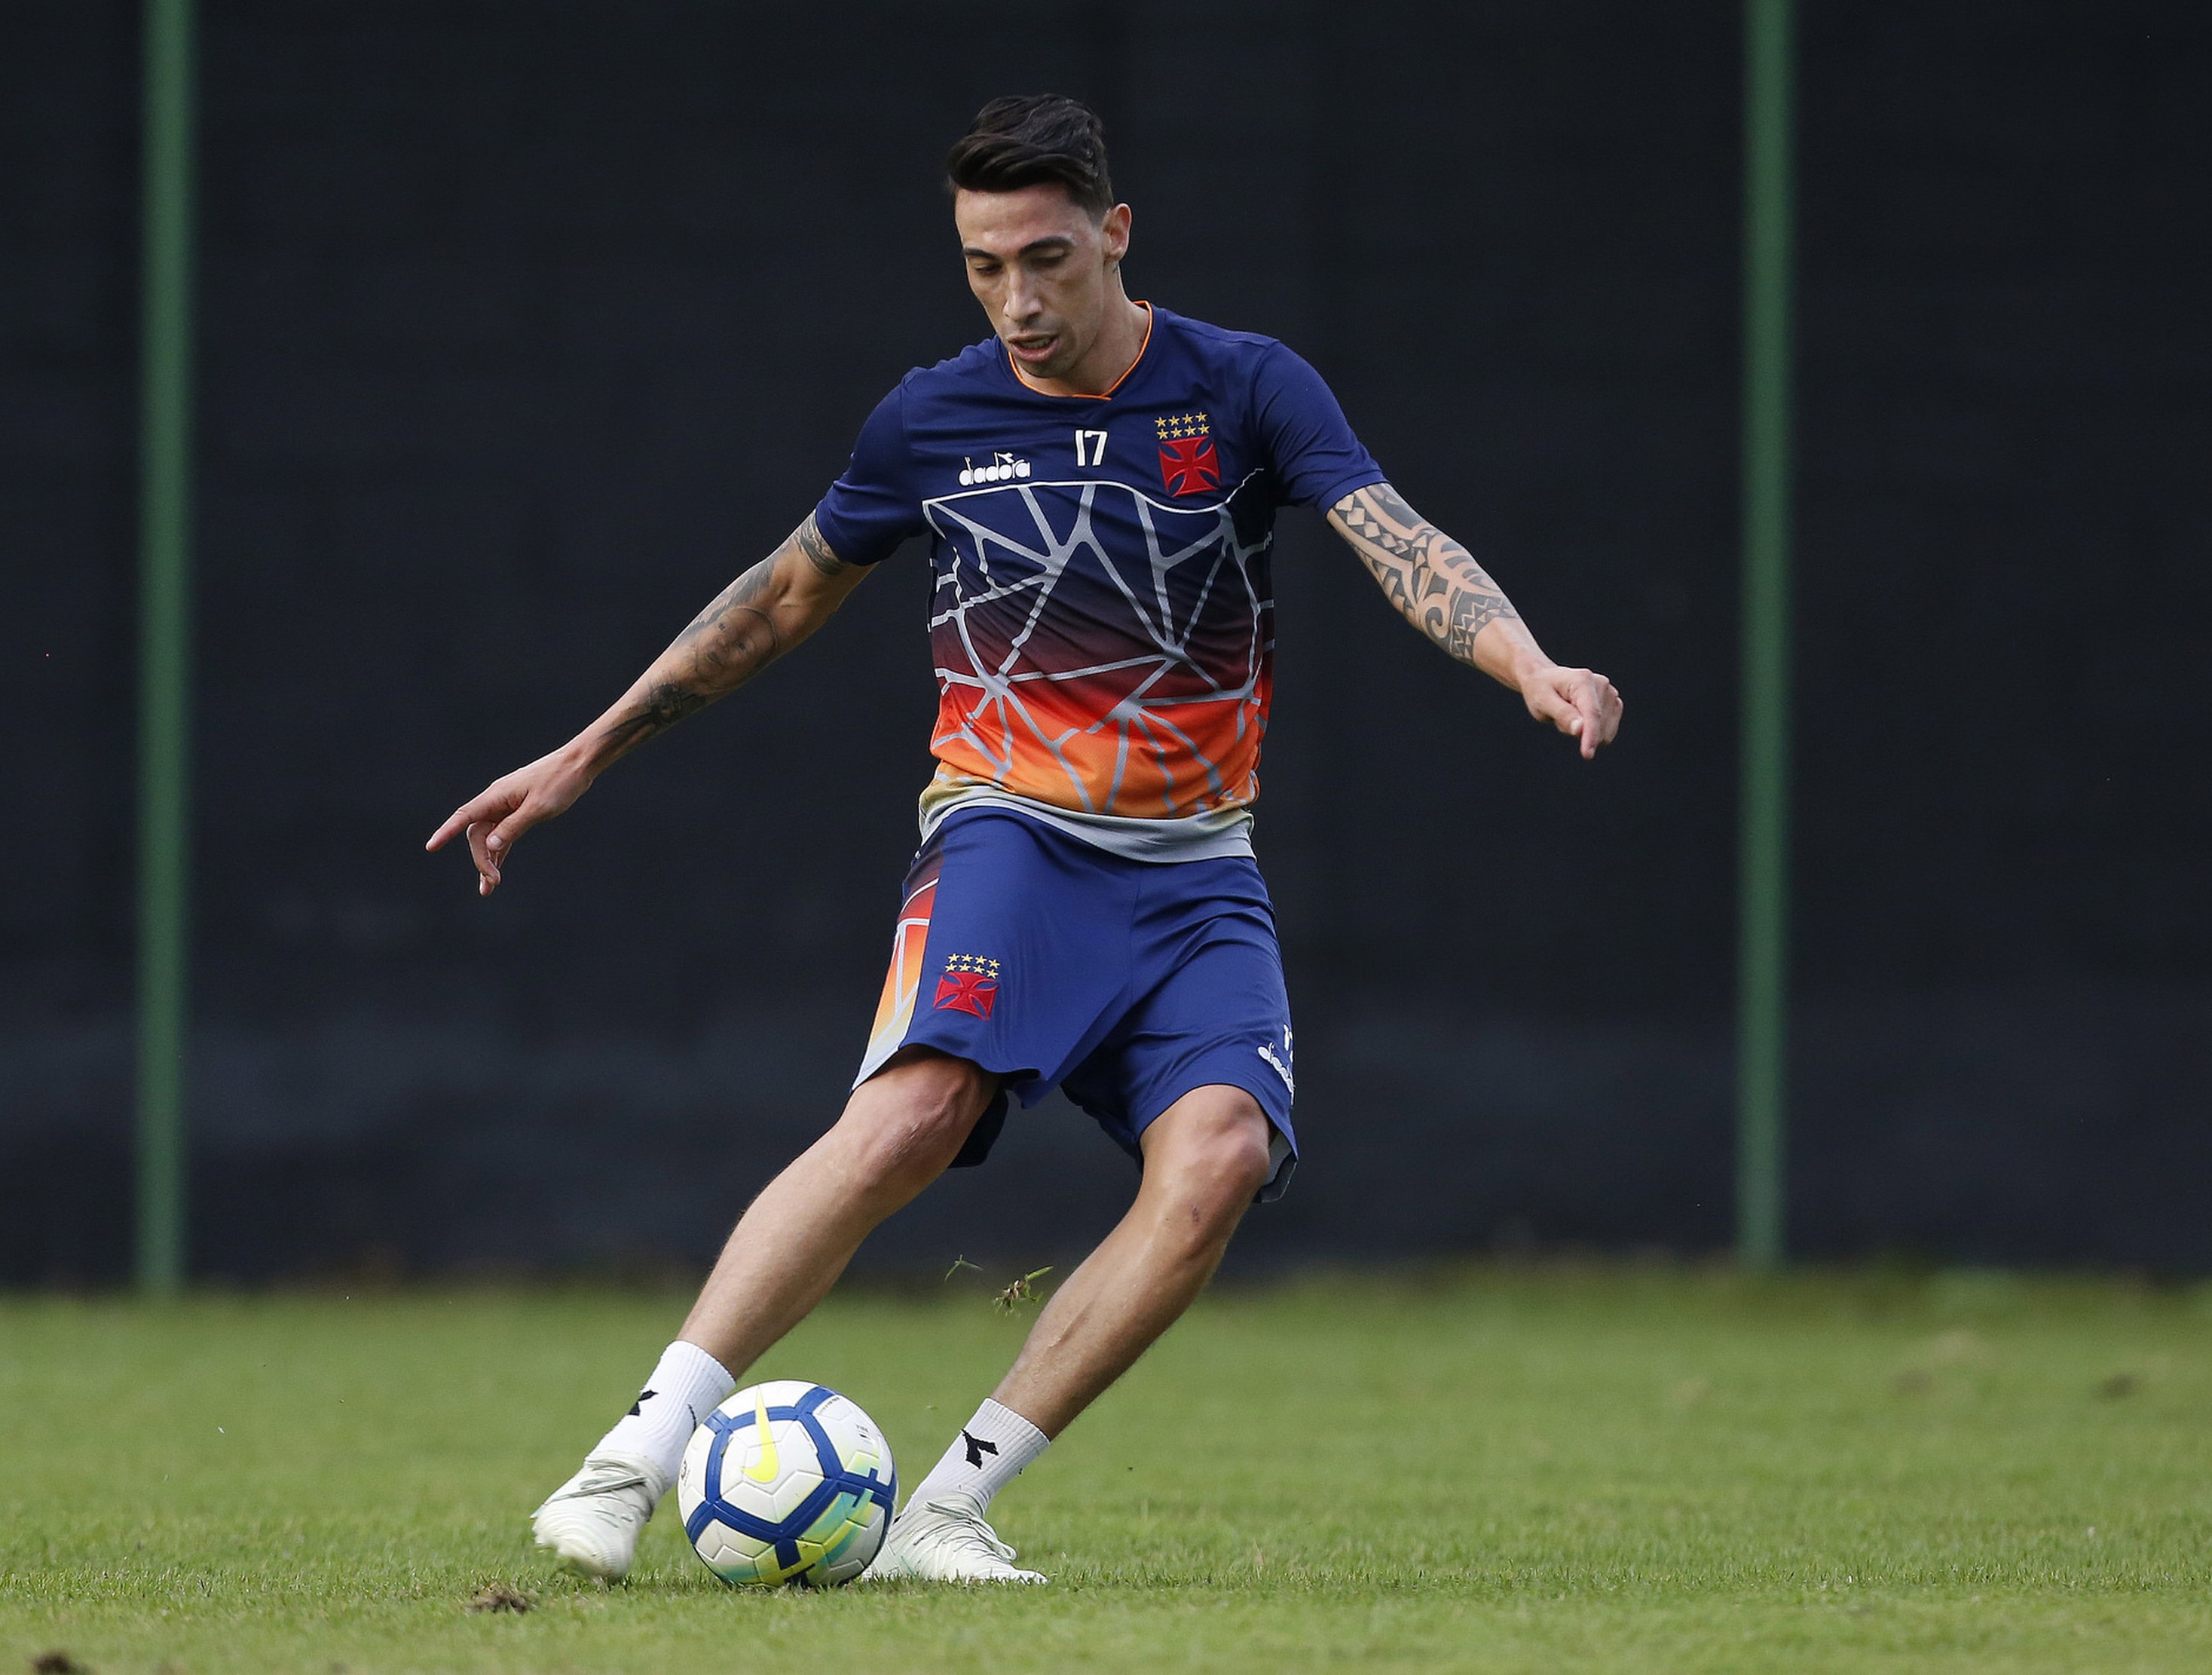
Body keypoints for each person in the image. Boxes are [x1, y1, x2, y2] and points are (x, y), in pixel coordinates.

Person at [427, 93, 1620, 1585]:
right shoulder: (931, 417)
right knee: (915, 1114)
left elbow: (1396, 536)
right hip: (1010, 833)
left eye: (1045, 259)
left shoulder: (1245, 387)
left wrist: (1527, 662)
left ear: (1115, 234)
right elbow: (784, 594)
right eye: (983, 266)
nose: (1017, 301)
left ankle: (946, 1510)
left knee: (1222, 1157)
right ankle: (629, 1460)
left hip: (1197, 870)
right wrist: (585, 750)